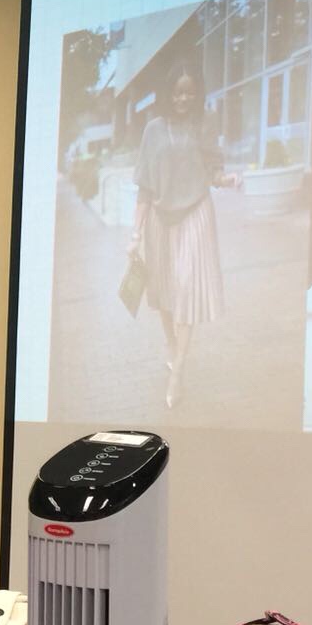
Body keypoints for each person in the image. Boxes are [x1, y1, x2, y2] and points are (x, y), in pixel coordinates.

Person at [128, 65, 239, 408]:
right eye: (177, 92)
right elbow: (145, 187)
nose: (183, 99)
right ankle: (171, 344)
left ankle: (177, 373)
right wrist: (135, 233)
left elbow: (212, 170)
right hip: (160, 219)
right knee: (164, 291)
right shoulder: (153, 130)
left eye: (190, 92)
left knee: (188, 290)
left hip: (196, 213)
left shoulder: (204, 122)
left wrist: (226, 179)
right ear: (167, 94)